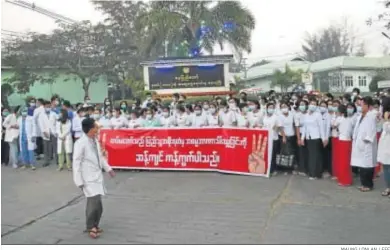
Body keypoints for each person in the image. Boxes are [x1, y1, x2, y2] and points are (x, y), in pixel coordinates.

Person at [73, 118, 115, 239]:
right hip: (87, 178)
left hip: (97, 177)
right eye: (96, 127)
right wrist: (78, 180)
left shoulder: (94, 141)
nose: (97, 129)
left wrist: (109, 169)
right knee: (94, 202)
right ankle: (90, 226)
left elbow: (100, 158)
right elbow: (76, 163)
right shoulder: (80, 143)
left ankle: (95, 225)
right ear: (91, 129)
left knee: (99, 205)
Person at [351, 96, 377, 192]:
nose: (360, 107)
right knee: (361, 165)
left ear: (368, 106)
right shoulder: (360, 116)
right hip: (358, 143)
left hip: (367, 144)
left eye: (362, 105)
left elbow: (372, 131)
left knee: (367, 165)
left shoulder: (371, 116)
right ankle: (363, 183)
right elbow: (356, 129)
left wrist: (366, 140)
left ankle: (368, 185)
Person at [300, 99, 326, 180]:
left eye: (314, 104)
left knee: (314, 156)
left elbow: (321, 127)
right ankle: (312, 172)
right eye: (312, 103)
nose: (313, 105)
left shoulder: (318, 115)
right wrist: (302, 138)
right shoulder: (306, 115)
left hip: (316, 137)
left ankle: (314, 173)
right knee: (311, 156)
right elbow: (304, 127)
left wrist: (323, 138)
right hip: (308, 137)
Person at [333, 105, 354, 186]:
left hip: (342, 140)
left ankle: (343, 180)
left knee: (342, 161)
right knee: (347, 161)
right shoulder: (349, 119)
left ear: (340, 111)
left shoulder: (339, 118)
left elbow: (333, 125)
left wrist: (335, 116)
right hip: (349, 141)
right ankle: (347, 179)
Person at [263, 102, 282, 175]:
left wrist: (276, 128)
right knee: (267, 154)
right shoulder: (265, 117)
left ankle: (273, 169)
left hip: (274, 138)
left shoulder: (276, 117)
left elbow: (279, 127)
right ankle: (268, 168)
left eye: (272, 108)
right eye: (269, 107)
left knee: (273, 155)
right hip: (266, 138)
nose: (271, 109)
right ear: (267, 108)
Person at [377, 99, 390, 197]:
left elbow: (387, 129)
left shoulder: (387, 120)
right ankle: (388, 187)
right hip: (385, 147)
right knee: (386, 168)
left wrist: (386, 120)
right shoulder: (384, 118)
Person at [39, 101, 53, 167]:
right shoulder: (41, 115)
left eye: (49, 106)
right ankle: (46, 161)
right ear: (44, 107)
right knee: (46, 147)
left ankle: (51, 159)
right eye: (47, 106)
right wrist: (44, 132)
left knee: (52, 147)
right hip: (45, 132)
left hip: (52, 132)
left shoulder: (53, 113)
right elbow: (41, 124)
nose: (48, 108)